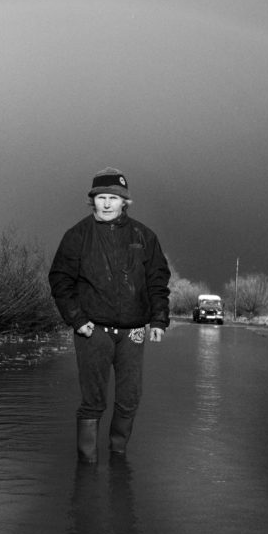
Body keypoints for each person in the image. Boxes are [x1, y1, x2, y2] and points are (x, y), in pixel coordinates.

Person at [48, 167, 171, 463]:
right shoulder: (77, 236)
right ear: (93, 201)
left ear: (124, 202)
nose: (106, 204)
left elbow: (158, 280)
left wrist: (159, 319)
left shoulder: (144, 236)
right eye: (101, 197)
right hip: (93, 331)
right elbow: (60, 281)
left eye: (113, 198)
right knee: (93, 401)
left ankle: (118, 460)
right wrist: (77, 320)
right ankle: (87, 468)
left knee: (129, 399)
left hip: (133, 332)